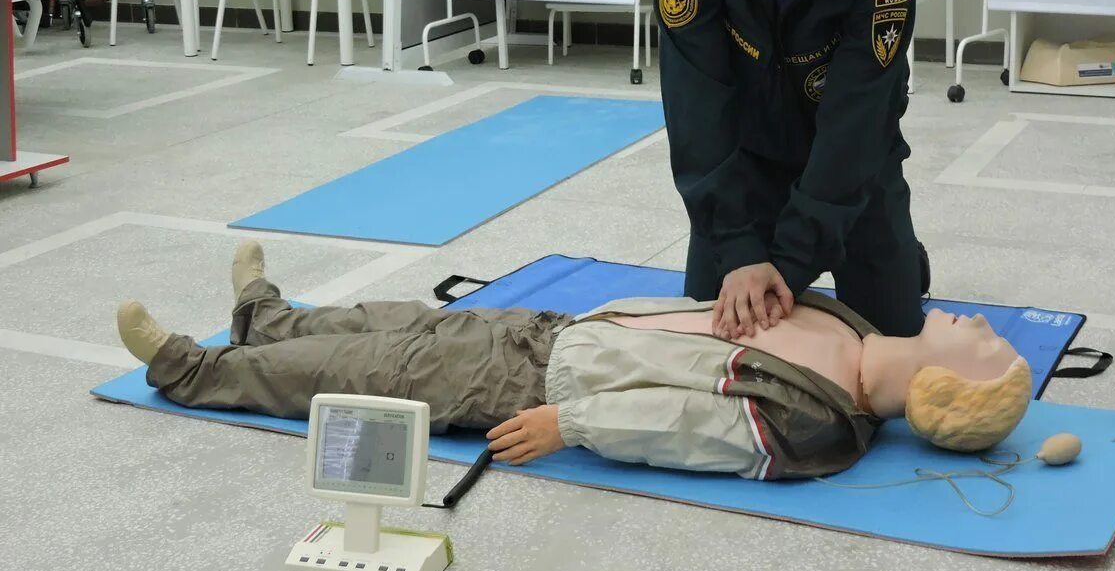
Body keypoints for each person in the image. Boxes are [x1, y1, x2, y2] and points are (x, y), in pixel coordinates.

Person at [114, 241, 1031, 481]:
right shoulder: (852, 325)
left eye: (983, 342)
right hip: (562, 329)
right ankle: (262, 315)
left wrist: (573, 424)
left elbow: (688, 428)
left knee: (373, 367)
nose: (981, 322)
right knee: (399, 318)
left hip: (540, 384)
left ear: (945, 387)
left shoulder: (818, 421)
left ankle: (190, 370)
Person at [654, 0, 928, 344]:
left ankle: (904, 259)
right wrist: (739, 251)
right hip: (747, 163)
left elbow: (857, 121)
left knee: (890, 340)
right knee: (706, 339)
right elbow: (696, 107)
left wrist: (790, 264)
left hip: (853, 170)